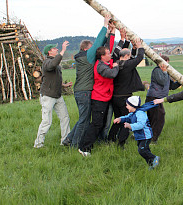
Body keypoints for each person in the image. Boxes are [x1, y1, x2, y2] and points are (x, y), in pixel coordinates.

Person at [62, 15, 112, 147]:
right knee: (84, 120)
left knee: (83, 118)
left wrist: (109, 34)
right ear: (86, 49)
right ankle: (75, 145)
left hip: (81, 91)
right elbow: (98, 43)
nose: (94, 50)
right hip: (84, 92)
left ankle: (68, 139)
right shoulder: (87, 57)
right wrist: (105, 24)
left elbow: (100, 45)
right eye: (91, 48)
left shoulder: (83, 57)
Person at [78, 45, 119, 156]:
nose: (110, 55)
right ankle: (84, 148)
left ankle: (94, 143)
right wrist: (116, 66)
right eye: (108, 53)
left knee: (100, 123)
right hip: (99, 99)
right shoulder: (100, 66)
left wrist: (116, 35)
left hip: (104, 97)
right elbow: (112, 74)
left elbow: (115, 53)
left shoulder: (106, 63)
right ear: (102, 56)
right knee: (96, 124)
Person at [34, 41, 72, 148]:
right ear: (50, 52)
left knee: (65, 118)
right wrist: (63, 50)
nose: (57, 49)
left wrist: (64, 85)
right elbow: (53, 64)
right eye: (55, 49)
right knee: (46, 122)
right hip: (48, 96)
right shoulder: (47, 62)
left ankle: (65, 141)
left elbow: (54, 79)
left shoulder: (54, 63)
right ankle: (38, 144)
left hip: (57, 96)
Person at [108, 38, 145, 146]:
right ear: (125, 56)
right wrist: (139, 46)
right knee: (127, 120)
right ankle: (121, 142)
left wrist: (133, 49)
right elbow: (139, 58)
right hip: (125, 98)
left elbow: (133, 58)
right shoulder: (127, 65)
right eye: (129, 56)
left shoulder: (116, 63)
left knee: (117, 119)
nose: (130, 58)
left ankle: (111, 138)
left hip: (115, 97)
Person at [113, 96, 160, 170]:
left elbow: (140, 125)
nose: (126, 107)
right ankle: (151, 165)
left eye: (127, 105)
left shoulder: (140, 114)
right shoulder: (133, 113)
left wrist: (130, 126)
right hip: (140, 136)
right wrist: (120, 119)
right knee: (145, 150)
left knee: (142, 150)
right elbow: (127, 117)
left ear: (132, 106)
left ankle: (154, 158)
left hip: (145, 136)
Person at [145, 55, 182, 143]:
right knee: (159, 119)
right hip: (154, 97)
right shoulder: (157, 70)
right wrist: (165, 73)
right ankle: (153, 140)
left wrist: (180, 81)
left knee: (153, 119)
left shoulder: (165, 72)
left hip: (158, 98)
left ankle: (144, 136)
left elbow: (171, 86)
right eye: (166, 63)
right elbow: (162, 81)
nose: (167, 66)